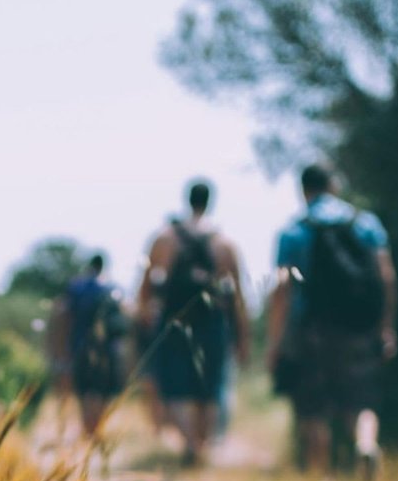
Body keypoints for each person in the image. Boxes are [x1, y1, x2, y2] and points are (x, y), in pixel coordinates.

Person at [266, 164, 398, 481]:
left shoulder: (294, 231)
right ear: (334, 186)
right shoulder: (365, 224)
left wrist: (276, 342)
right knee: (360, 399)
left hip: (311, 330)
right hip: (359, 326)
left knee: (314, 407)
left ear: (303, 190)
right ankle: (365, 446)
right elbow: (386, 278)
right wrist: (386, 326)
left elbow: (282, 291)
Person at [138, 179, 251, 466]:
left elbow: (146, 288)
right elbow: (237, 296)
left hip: (174, 320)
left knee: (178, 384)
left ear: (187, 200)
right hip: (213, 322)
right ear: (210, 201)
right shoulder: (224, 243)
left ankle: (189, 442)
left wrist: (143, 326)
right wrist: (242, 337)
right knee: (209, 385)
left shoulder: (164, 238)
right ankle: (202, 445)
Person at [49, 254, 127, 438]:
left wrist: (60, 349)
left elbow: (63, 317)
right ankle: (97, 426)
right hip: (109, 349)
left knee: (85, 390)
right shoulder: (113, 287)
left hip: (80, 346)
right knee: (104, 389)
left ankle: (87, 428)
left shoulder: (76, 287)